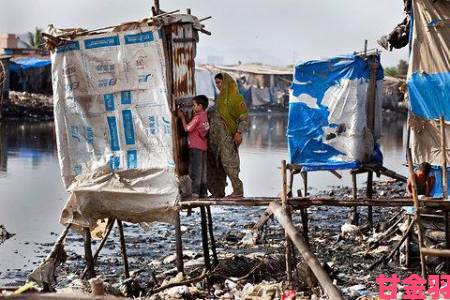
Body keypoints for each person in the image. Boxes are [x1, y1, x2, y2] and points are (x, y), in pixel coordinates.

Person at [207, 72, 248, 198]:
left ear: (226, 82)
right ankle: (217, 192)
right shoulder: (219, 99)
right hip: (214, 140)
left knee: (230, 165)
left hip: (227, 139)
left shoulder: (236, 99)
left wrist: (239, 133)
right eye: (216, 84)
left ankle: (238, 191)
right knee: (215, 166)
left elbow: (244, 118)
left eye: (219, 83)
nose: (218, 86)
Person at [177, 95, 210, 198]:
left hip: (195, 147)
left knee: (196, 170)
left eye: (194, 105)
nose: (192, 107)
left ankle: (195, 193)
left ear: (200, 106)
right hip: (203, 146)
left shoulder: (198, 116)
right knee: (203, 171)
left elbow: (187, 128)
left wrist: (182, 117)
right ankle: (203, 192)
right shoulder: (204, 115)